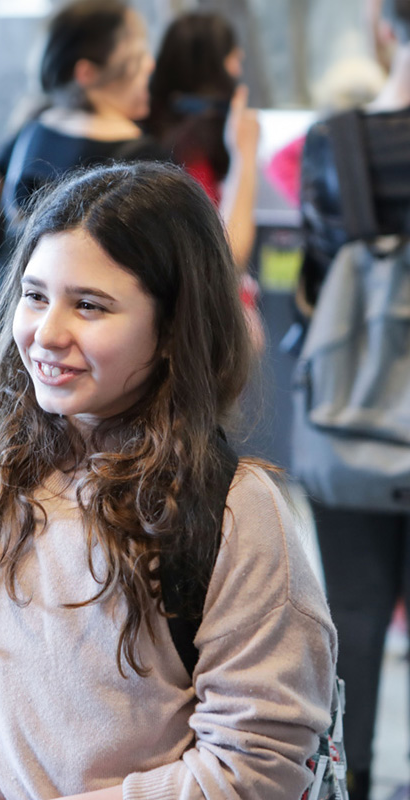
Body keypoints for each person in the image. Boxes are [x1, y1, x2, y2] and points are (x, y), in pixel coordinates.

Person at [0, 161, 337, 800]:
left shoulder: (235, 513)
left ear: (174, 329)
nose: (46, 333)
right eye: (35, 295)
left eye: (90, 306)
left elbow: (254, 763)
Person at [297, 2, 410, 797]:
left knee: (355, 619)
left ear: (382, 24)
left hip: (352, 417)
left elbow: (311, 286)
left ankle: (354, 780)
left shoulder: (332, 143)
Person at [0, 0, 158, 269]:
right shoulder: (146, 160)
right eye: (137, 54)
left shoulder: (31, 133)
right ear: (86, 73)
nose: (150, 65)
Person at [146, 11, 259, 272]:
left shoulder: (152, 128)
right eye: (233, 60)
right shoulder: (196, 142)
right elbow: (227, 258)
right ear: (217, 68)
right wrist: (245, 153)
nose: (239, 71)